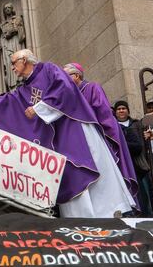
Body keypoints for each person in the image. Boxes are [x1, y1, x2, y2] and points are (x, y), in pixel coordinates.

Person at [0, 49, 136, 218]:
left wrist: (41, 108)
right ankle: (81, 220)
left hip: (73, 128)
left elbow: (65, 88)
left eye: (14, 62)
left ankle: (109, 212)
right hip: (57, 136)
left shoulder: (48, 69)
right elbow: (4, 103)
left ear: (26, 60)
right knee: (68, 175)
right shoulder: (23, 89)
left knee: (83, 167)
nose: (11, 67)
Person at [63, 63, 139, 207]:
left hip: (97, 139)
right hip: (80, 144)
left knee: (105, 177)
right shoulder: (69, 95)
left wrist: (105, 135)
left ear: (77, 76)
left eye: (66, 76)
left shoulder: (92, 88)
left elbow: (104, 114)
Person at [113, 100, 153, 216]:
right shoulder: (113, 126)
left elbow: (142, 144)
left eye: (123, 108)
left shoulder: (137, 124)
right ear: (115, 112)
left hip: (140, 163)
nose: (121, 110)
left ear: (128, 110)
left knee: (145, 195)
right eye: (119, 109)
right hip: (123, 166)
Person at [0, 2, 25, 90]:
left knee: (18, 59)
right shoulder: (2, 24)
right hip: (7, 45)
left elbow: (21, 32)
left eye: (9, 7)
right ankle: (13, 83)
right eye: (5, 8)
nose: (7, 9)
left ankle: (20, 80)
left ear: (12, 9)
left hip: (15, 43)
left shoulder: (17, 19)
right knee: (9, 63)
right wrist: (1, 41)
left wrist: (13, 31)